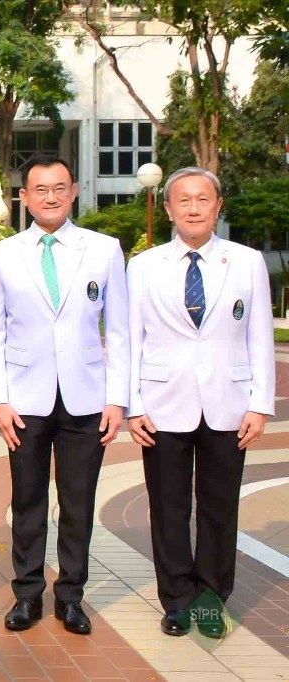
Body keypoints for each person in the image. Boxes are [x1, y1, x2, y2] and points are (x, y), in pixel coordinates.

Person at [0, 154, 129, 635]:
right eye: (40, 189)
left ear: (74, 192)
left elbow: (120, 330)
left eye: (59, 188)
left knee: (78, 501)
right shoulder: (4, 254)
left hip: (87, 398)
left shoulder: (103, 250)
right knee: (27, 501)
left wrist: (117, 399)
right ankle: (27, 594)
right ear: (24, 197)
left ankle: (71, 596)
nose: (50, 197)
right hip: (25, 400)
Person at [127, 167, 274, 638]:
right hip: (161, 403)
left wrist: (260, 404)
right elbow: (130, 340)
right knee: (167, 507)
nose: (193, 208)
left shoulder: (247, 262)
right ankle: (175, 600)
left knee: (219, 507)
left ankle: (212, 598)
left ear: (218, 206)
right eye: (184, 200)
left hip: (229, 403)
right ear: (169, 209)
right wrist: (133, 405)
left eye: (203, 199)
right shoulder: (143, 266)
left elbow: (260, 336)